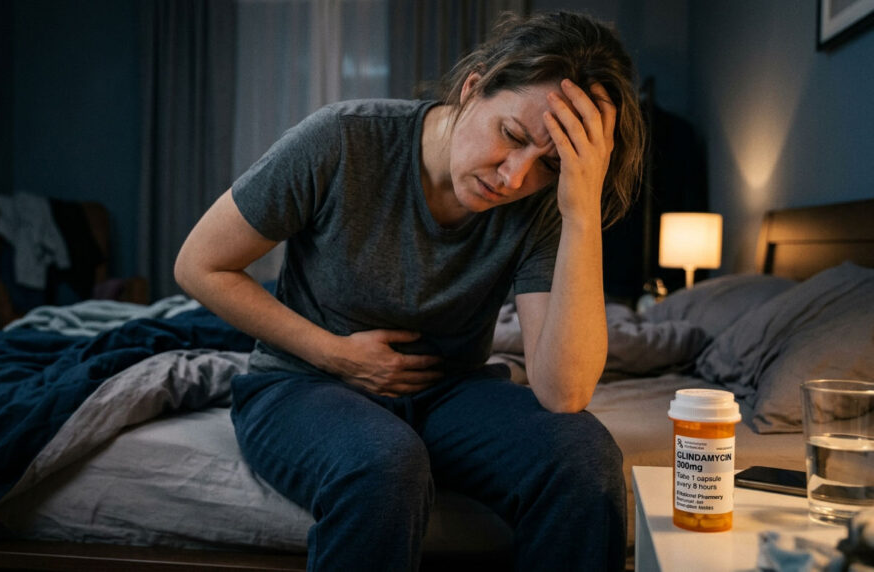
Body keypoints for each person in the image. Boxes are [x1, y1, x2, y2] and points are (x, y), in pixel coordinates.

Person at [175, 10, 645, 571]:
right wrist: (338, 355)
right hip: (302, 384)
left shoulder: (545, 205)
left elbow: (563, 393)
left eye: (549, 164)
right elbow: (199, 265)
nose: (514, 177)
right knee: (384, 464)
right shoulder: (344, 138)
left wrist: (581, 210)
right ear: (474, 88)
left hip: (448, 394)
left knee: (583, 457)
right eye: (512, 135)